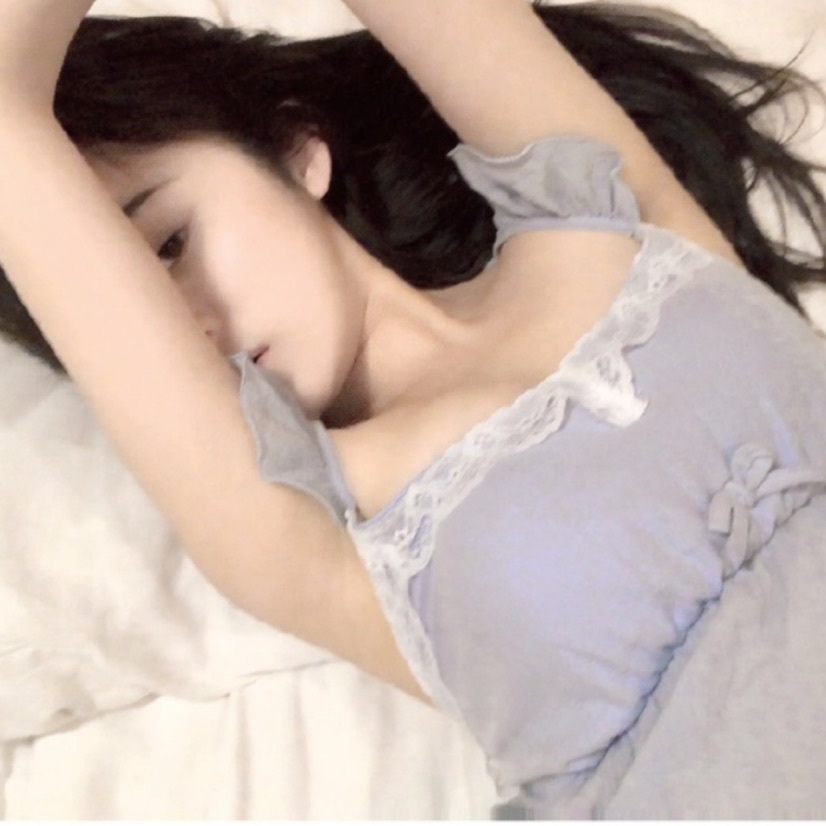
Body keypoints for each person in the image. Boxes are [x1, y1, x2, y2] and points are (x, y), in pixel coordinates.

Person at [0, 0, 825, 817]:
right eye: (132, 303)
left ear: (295, 152)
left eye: (173, 244)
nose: (192, 330)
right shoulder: (306, 532)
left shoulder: (602, 216)